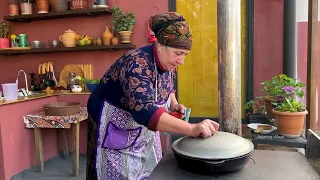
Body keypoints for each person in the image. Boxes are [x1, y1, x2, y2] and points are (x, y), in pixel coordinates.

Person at [86, 12, 219, 180]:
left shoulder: (168, 62)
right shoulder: (136, 64)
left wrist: (173, 103)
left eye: (185, 54)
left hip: (141, 129)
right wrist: (191, 129)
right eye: (178, 53)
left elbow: (167, 87)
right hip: (113, 127)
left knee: (150, 171)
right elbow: (145, 112)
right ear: (160, 45)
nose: (181, 61)